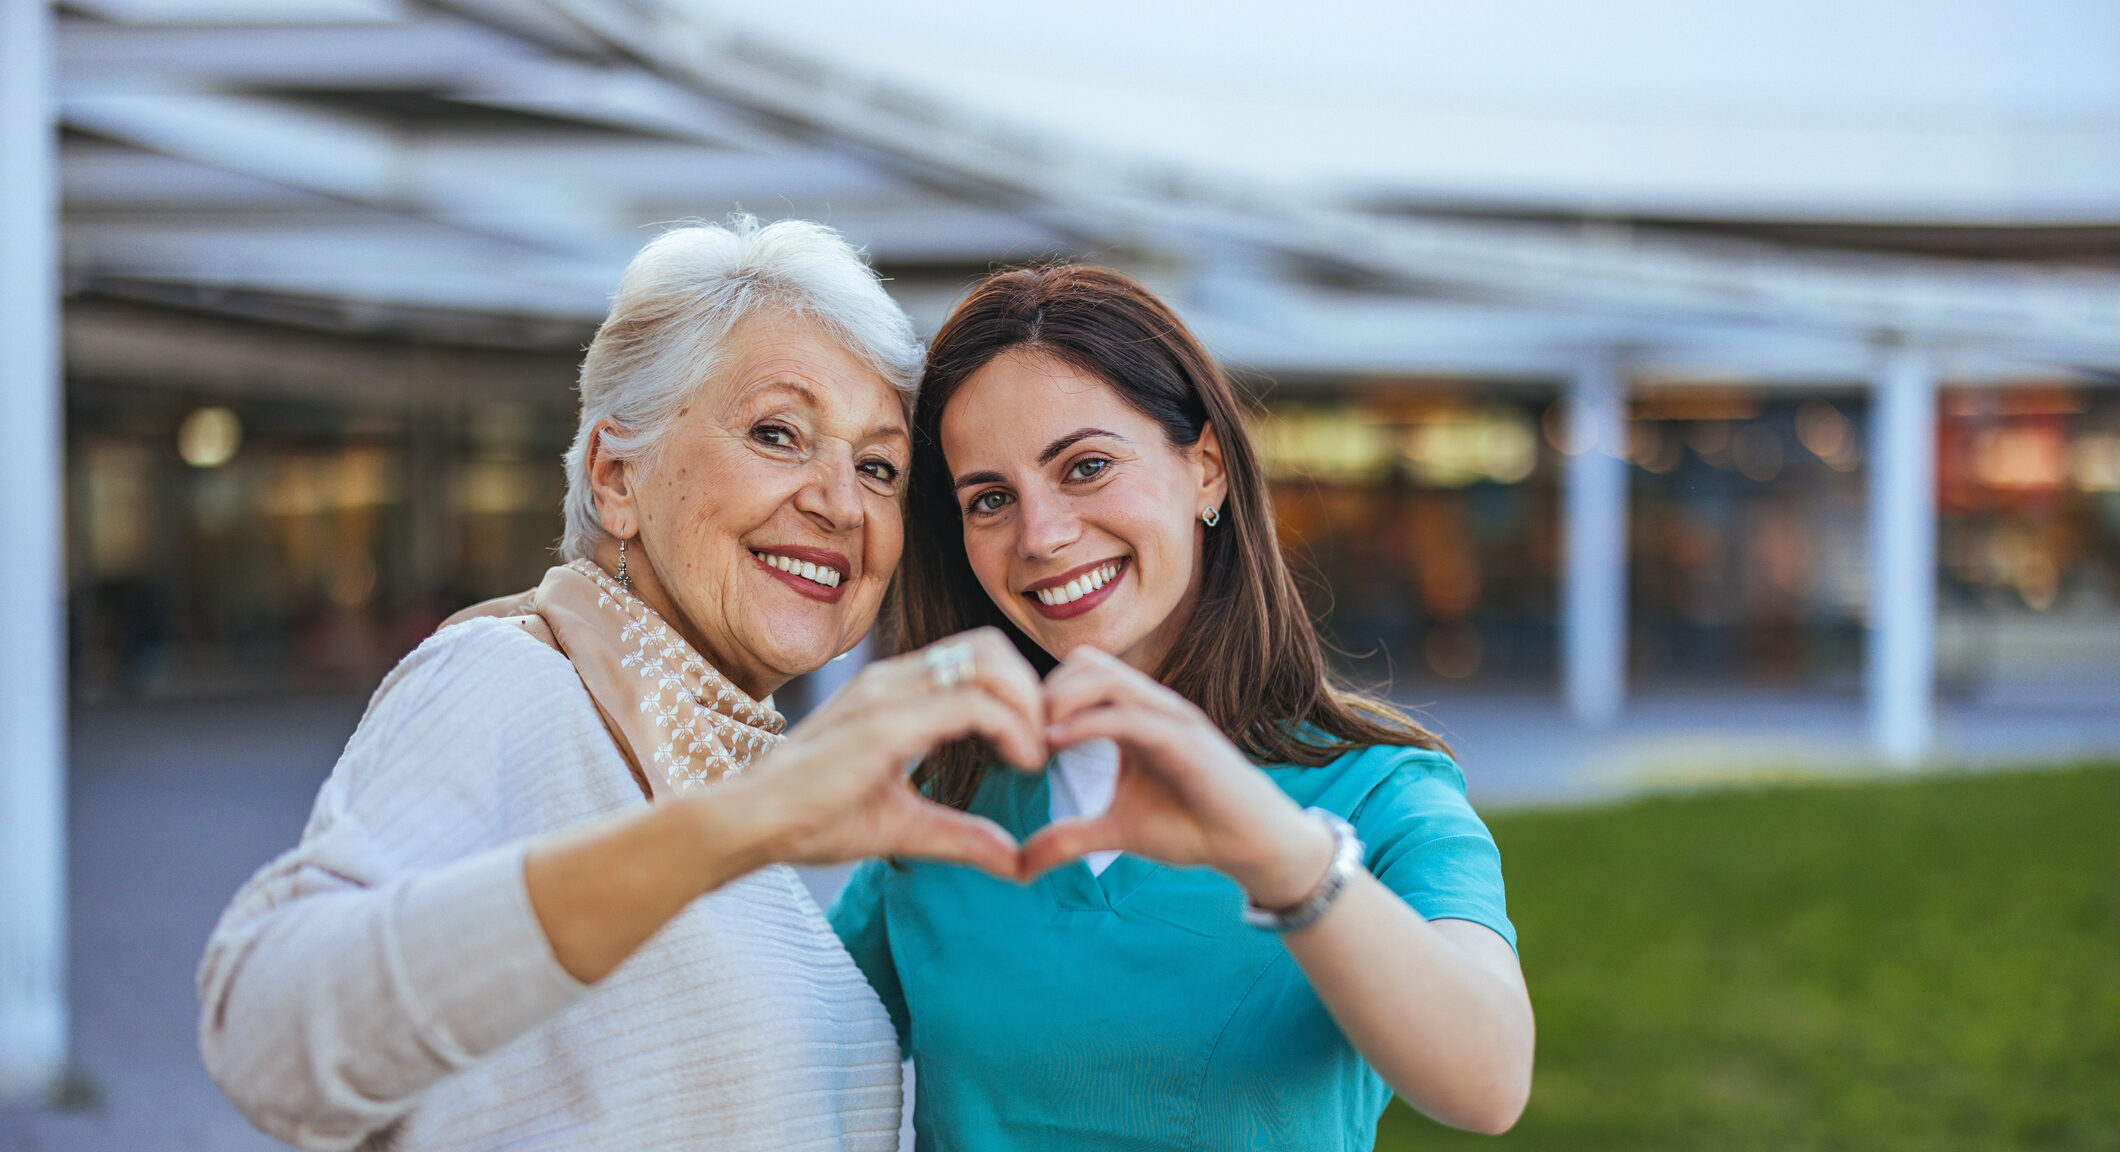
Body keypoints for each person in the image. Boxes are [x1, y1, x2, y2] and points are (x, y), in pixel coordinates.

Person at [197, 218, 1049, 1152]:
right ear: (614, 477)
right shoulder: (509, 677)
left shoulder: (729, 780)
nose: (842, 502)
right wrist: (735, 824)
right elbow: (264, 1035)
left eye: (879, 466)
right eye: (778, 433)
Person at [830, 264, 1535, 1150]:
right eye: (991, 499)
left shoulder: (1380, 794)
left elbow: (1490, 1081)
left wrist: (1278, 854)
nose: (1041, 535)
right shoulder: (942, 801)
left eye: (1085, 467)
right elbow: (756, 1051)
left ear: (1205, 469)